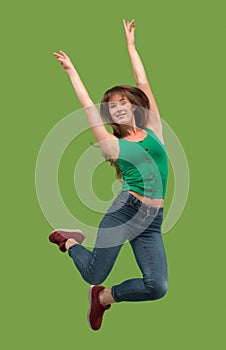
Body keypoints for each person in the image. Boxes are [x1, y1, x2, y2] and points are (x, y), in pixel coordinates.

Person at [50, 18, 168, 331]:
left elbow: (143, 83)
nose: (116, 108)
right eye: (111, 105)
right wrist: (72, 72)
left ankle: (103, 299)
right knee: (93, 273)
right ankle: (70, 242)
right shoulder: (112, 145)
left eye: (122, 103)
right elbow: (87, 106)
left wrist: (130, 46)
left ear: (134, 107)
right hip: (125, 212)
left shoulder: (153, 128)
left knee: (157, 286)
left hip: (153, 219)